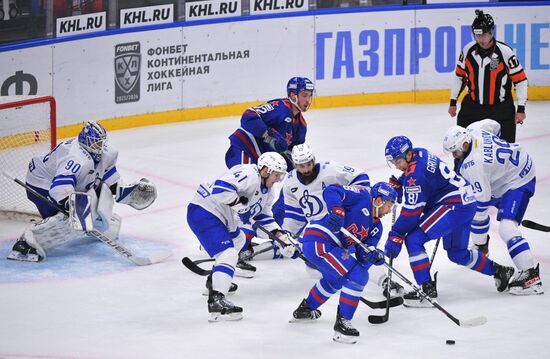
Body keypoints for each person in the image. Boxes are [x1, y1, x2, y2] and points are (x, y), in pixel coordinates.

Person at [383, 135, 515, 307]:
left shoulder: (415, 175)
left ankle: (426, 291)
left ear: (408, 154)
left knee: (413, 239)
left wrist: (396, 234)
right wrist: (402, 184)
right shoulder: (420, 153)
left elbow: (412, 212)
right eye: (394, 162)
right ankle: (499, 271)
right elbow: (419, 180)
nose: (397, 166)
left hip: (453, 205)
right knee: (457, 253)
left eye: (398, 161)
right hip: (466, 202)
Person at [7, 121, 157, 262]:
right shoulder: (75, 158)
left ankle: (99, 226)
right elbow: (59, 187)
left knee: (93, 200)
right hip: (41, 182)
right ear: (85, 141)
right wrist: (72, 206)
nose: (100, 146)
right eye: (96, 142)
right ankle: (26, 244)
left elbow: (108, 178)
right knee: (69, 220)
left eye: (101, 142)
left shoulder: (106, 152)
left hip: (65, 181)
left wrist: (124, 191)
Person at [186, 152, 295, 322]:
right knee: (228, 253)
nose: (278, 180)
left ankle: (214, 281)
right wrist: (241, 206)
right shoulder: (249, 174)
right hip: (204, 211)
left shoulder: (268, 192)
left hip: (223, 219)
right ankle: (217, 302)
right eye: (276, 175)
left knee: (240, 242)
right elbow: (220, 189)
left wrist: (280, 236)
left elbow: (263, 217)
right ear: (265, 170)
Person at [443, 120, 543, 295]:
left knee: (506, 228)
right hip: (511, 168)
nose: (454, 156)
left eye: (456, 151)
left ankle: (531, 276)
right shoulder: (474, 129)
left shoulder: (473, 166)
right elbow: (495, 125)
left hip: (519, 180)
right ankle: (481, 247)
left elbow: (481, 204)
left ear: (465, 144)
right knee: (479, 207)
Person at [289, 183, 396, 344]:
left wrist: (375, 256)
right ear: (378, 200)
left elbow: (362, 256)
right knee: (358, 276)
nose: (389, 211)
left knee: (337, 279)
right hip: (320, 238)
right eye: (388, 206)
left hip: (332, 247)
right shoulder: (362, 196)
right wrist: (337, 211)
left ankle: (306, 309)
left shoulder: (376, 227)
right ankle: (342, 324)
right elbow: (333, 190)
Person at [448, 9, 528, 143]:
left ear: (491, 32)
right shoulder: (468, 50)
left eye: (484, 35)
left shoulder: (505, 52)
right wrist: (453, 102)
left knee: (506, 150)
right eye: (477, 35)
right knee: (461, 146)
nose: (480, 39)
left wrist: (521, 108)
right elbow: (459, 76)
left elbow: (520, 81)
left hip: (501, 109)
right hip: (473, 108)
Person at [225, 77, 314, 171]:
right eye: (304, 95)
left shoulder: (301, 126)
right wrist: (270, 135)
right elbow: (248, 116)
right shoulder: (280, 107)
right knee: (248, 180)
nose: (308, 100)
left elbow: (290, 155)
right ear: (293, 95)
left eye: (310, 95)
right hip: (244, 150)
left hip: (262, 162)